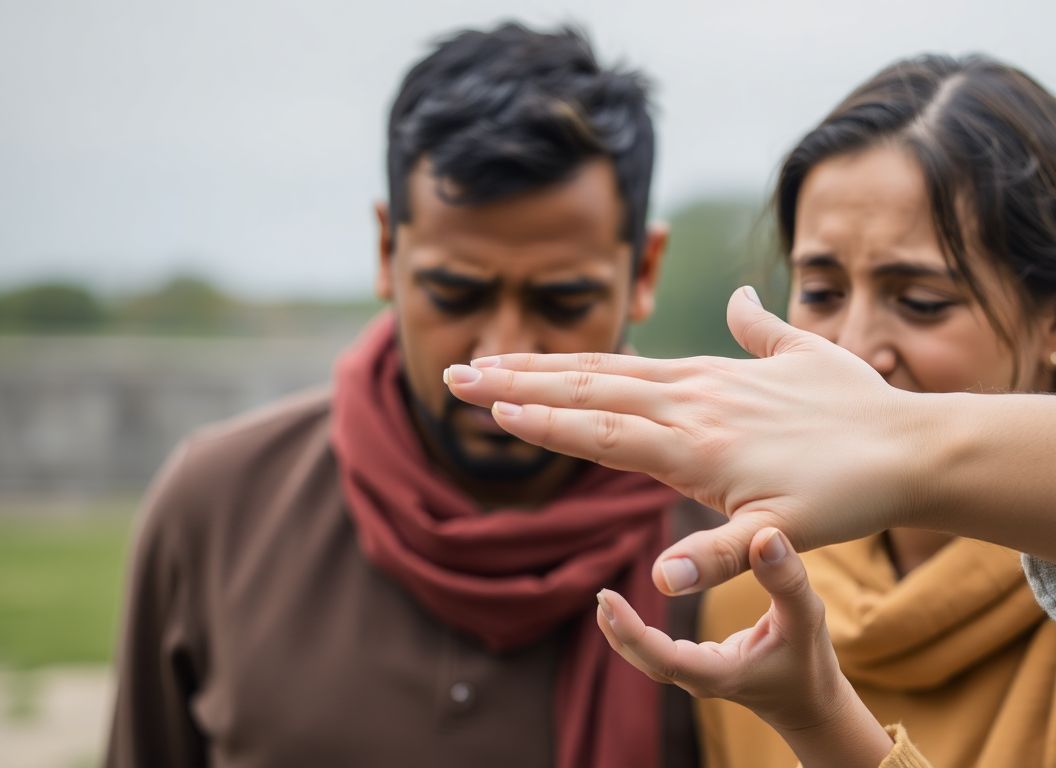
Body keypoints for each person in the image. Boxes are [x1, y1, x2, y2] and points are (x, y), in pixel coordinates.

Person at [451, 54, 1056, 767]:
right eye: (820, 288)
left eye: (922, 301)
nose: (852, 350)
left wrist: (821, 722)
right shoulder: (749, 576)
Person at [105, 23, 717, 768]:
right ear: (385, 250)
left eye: (563, 300)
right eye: (455, 293)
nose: (500, 357)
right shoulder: (217, 510)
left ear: (644, 271)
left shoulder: (730, 551)